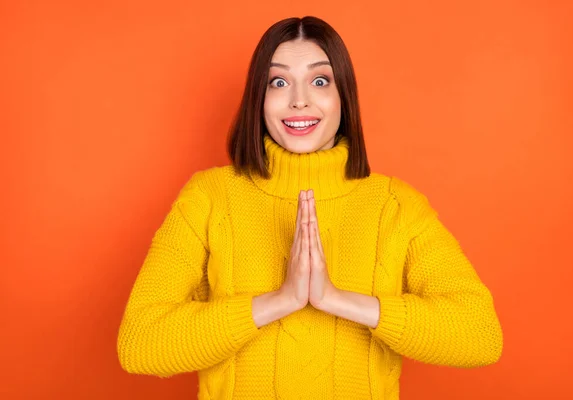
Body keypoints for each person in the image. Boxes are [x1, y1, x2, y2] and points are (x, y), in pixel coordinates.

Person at [117, 15, 503, 399]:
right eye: (279, 82)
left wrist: (334, 299)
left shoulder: (397, 206)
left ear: (343, 96)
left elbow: (480, 335)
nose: (299, 99)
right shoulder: (208, 197)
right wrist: (279, 301)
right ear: (259, 96)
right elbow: (140, 343)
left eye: (320, 81)